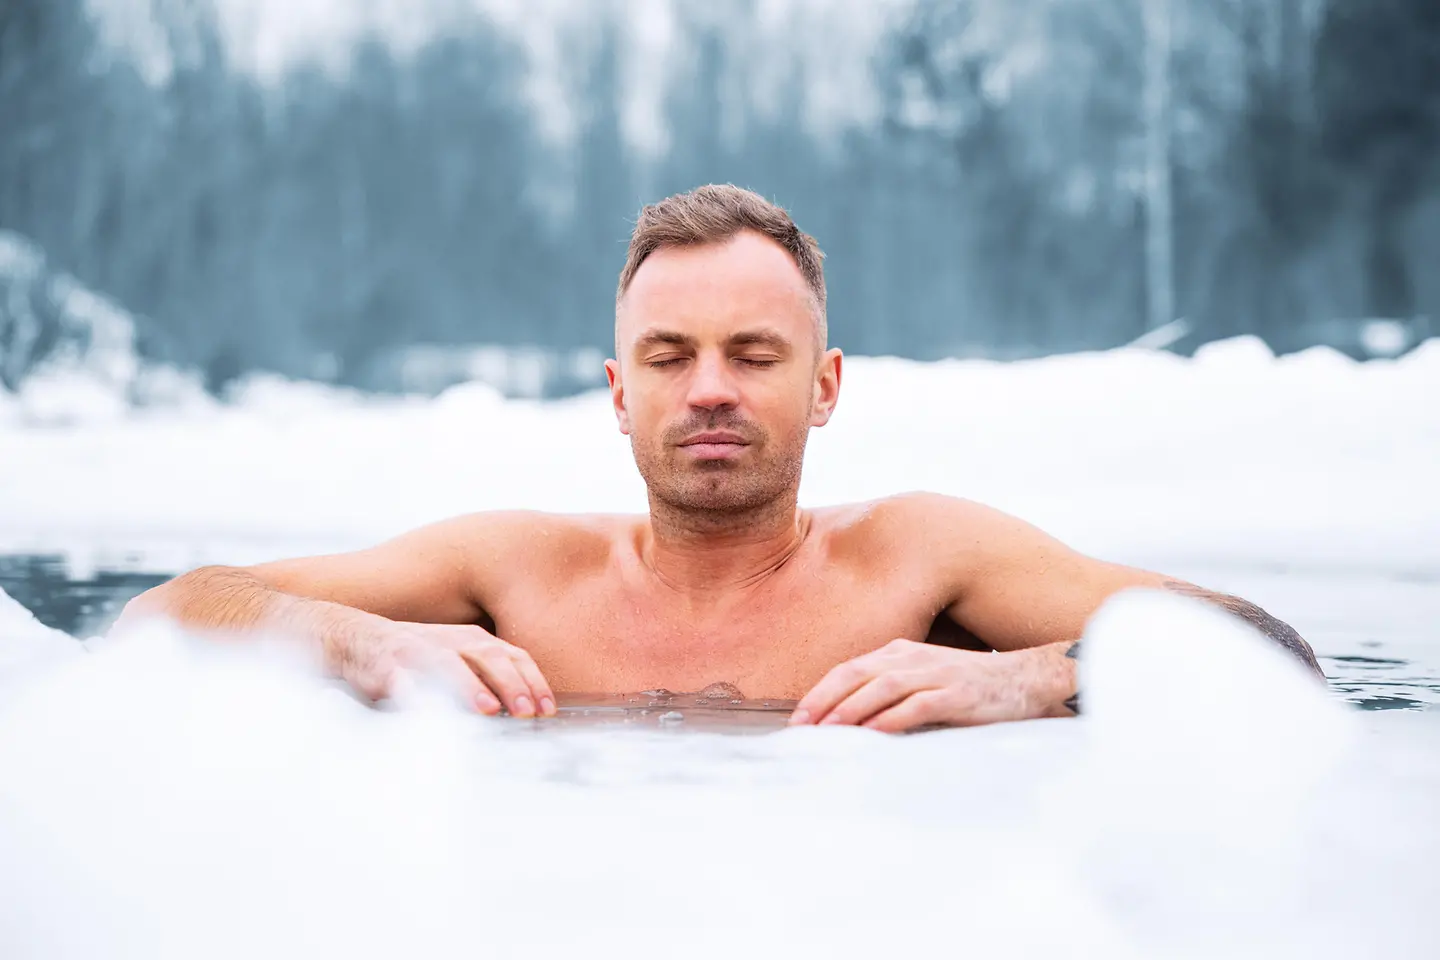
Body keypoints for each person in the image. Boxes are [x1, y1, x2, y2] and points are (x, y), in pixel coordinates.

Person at [117, 185, 1323, 732]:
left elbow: (1270, 650)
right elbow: (168, 615)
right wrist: (361, 637)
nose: (707, 390)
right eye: (668, 354)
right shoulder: (516, 571)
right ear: (617, 390)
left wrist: (1028, 679)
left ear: (826, 384)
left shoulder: (924, 557)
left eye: (754, 352)